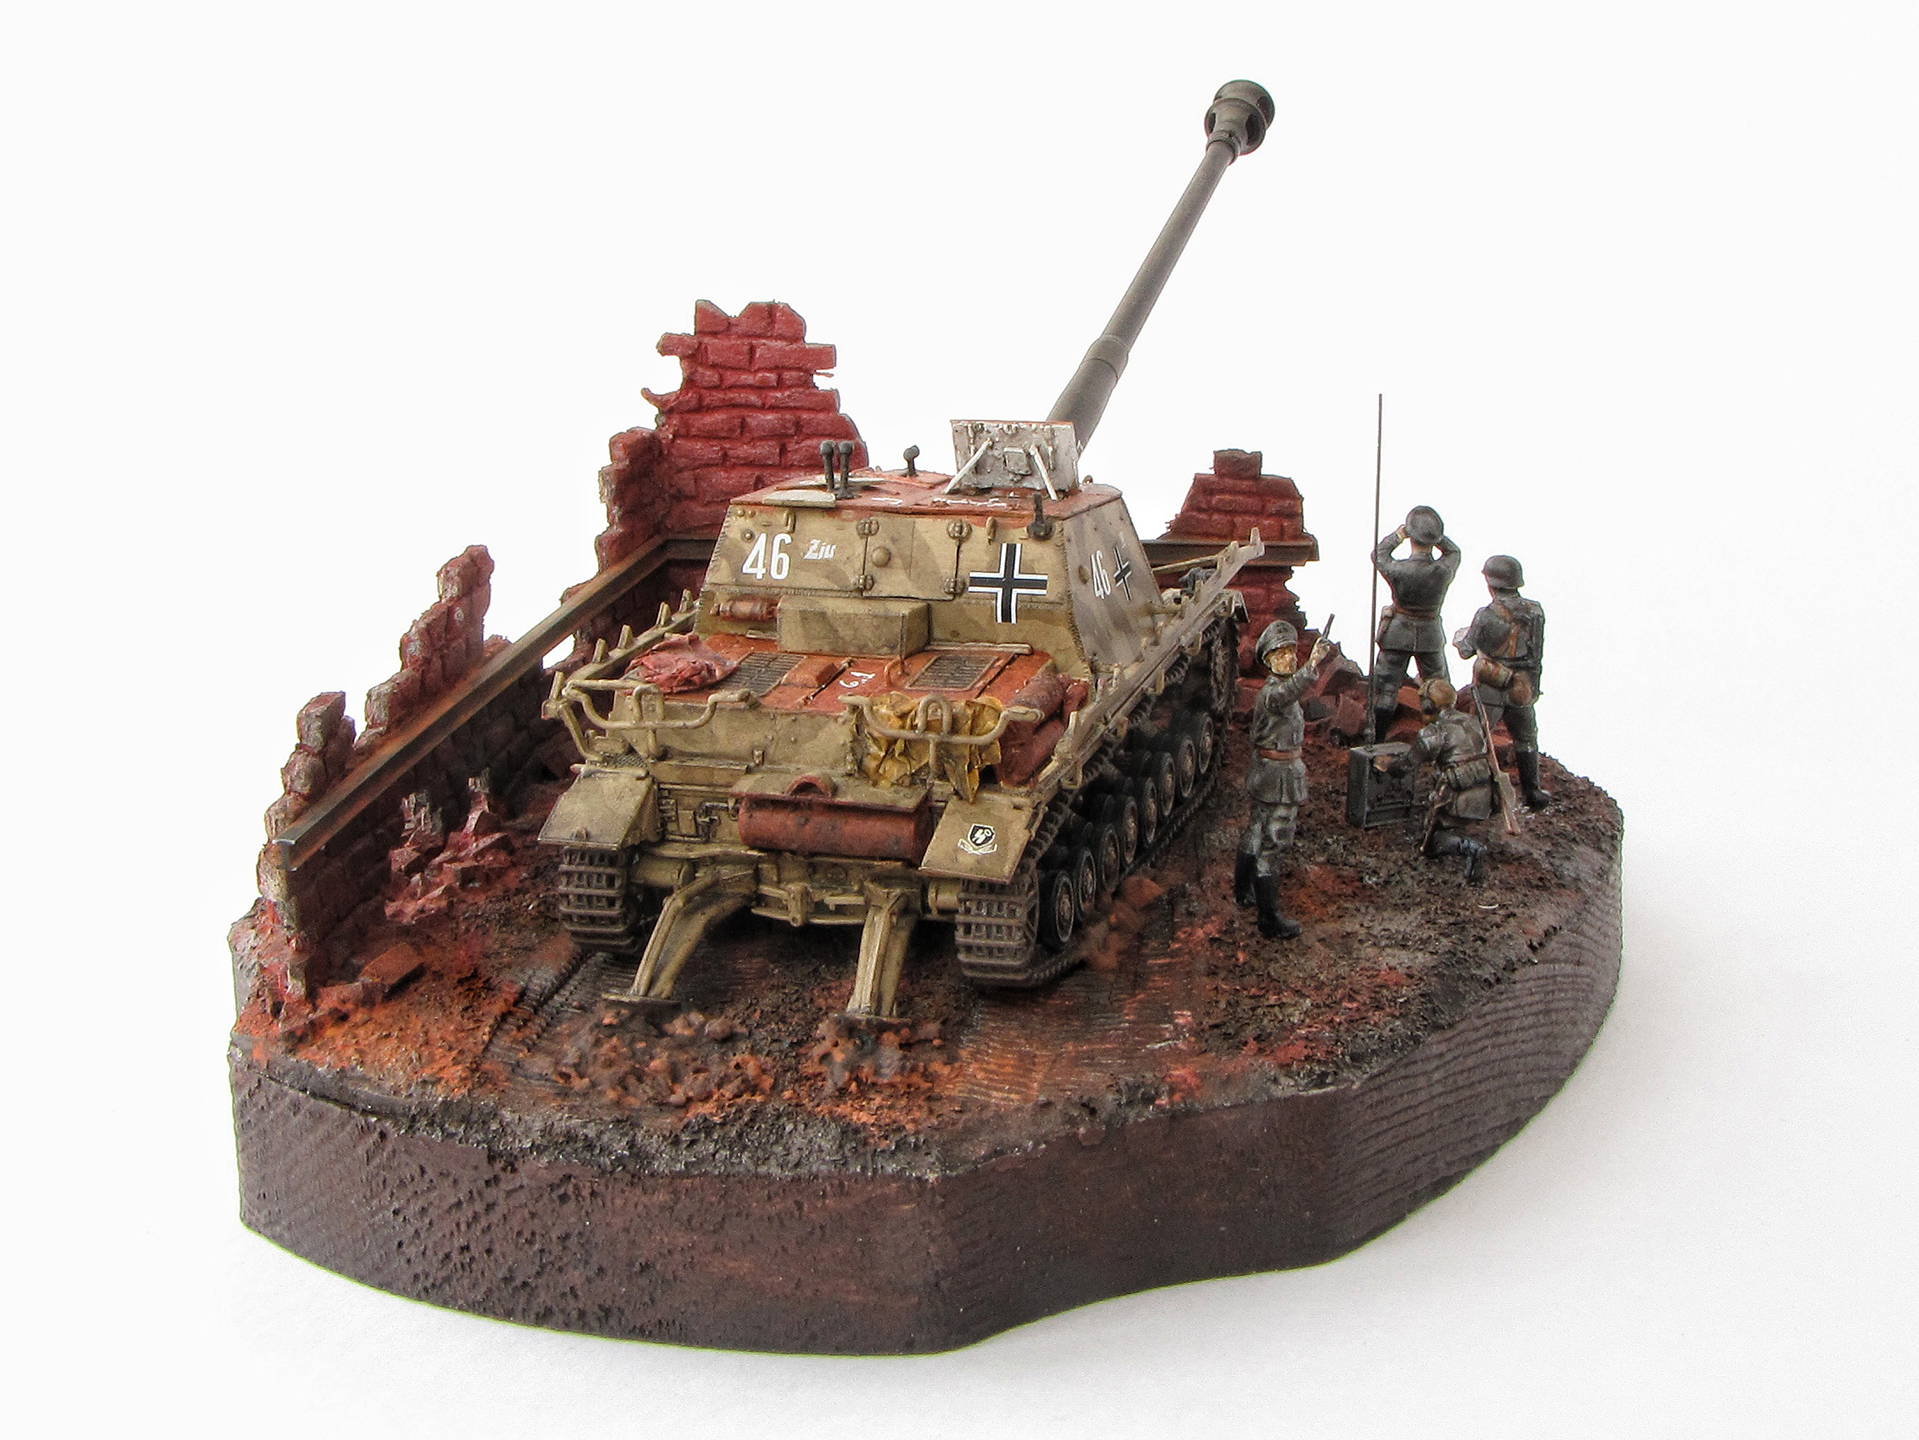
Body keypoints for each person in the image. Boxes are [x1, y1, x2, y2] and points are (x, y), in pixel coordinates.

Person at [1236, 619, 1334, 939]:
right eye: (1279, 654)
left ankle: (1243, 891)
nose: (1288, 659)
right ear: (1267, 661)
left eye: (1292, 652)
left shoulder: (1277, 690)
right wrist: (1313, 663)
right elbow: (1290, 691)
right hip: (1279, 775)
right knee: (1273, 842)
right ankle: (1269, 919)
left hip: (1267, 771)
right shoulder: (1273, 694)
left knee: (1255, 830)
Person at [1454, 553, 1551, 808]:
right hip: (1523, 685)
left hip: (1492, 685)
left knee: (1477, 738)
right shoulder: (1536, 611)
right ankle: (1533, 791)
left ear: (1491, 583)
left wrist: (1460, 639)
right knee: (1526, 739)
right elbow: (1536, 652)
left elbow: (1466, 650)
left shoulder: (1486, 615)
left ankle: (1477, 793)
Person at [1386, 678, 1495, 882]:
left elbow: (1406, 765)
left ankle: (1470, 848)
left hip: (1457, 797)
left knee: (1434, 844)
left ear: (1429, 705)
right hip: (1486, 793)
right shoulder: (1472, 721)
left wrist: (1387, 766)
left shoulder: (1433, 733)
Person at [1370, 505, 1461, 741]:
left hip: (1397, 634)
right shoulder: (1442, 570)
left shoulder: (1399, 569)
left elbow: (1379, 555)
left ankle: (1377, 740)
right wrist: (1437, 537)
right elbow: (1454, 551)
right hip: (1430, 635)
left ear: (1411, 536)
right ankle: (1445, 739)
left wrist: (1398, 535)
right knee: (1438, 688)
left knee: (1386, 689)